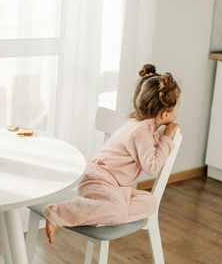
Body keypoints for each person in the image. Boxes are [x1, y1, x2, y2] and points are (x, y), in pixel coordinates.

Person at [43, 64, 181, 244]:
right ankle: (57, 213)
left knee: (150, 202)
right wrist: (168, 137)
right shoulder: (141, 131)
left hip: (115, 187)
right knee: (117, 211)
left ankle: (107, 209)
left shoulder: (141, 125)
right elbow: (152, 166)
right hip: (98, 178)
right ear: (164, 114)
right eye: (178, 106)